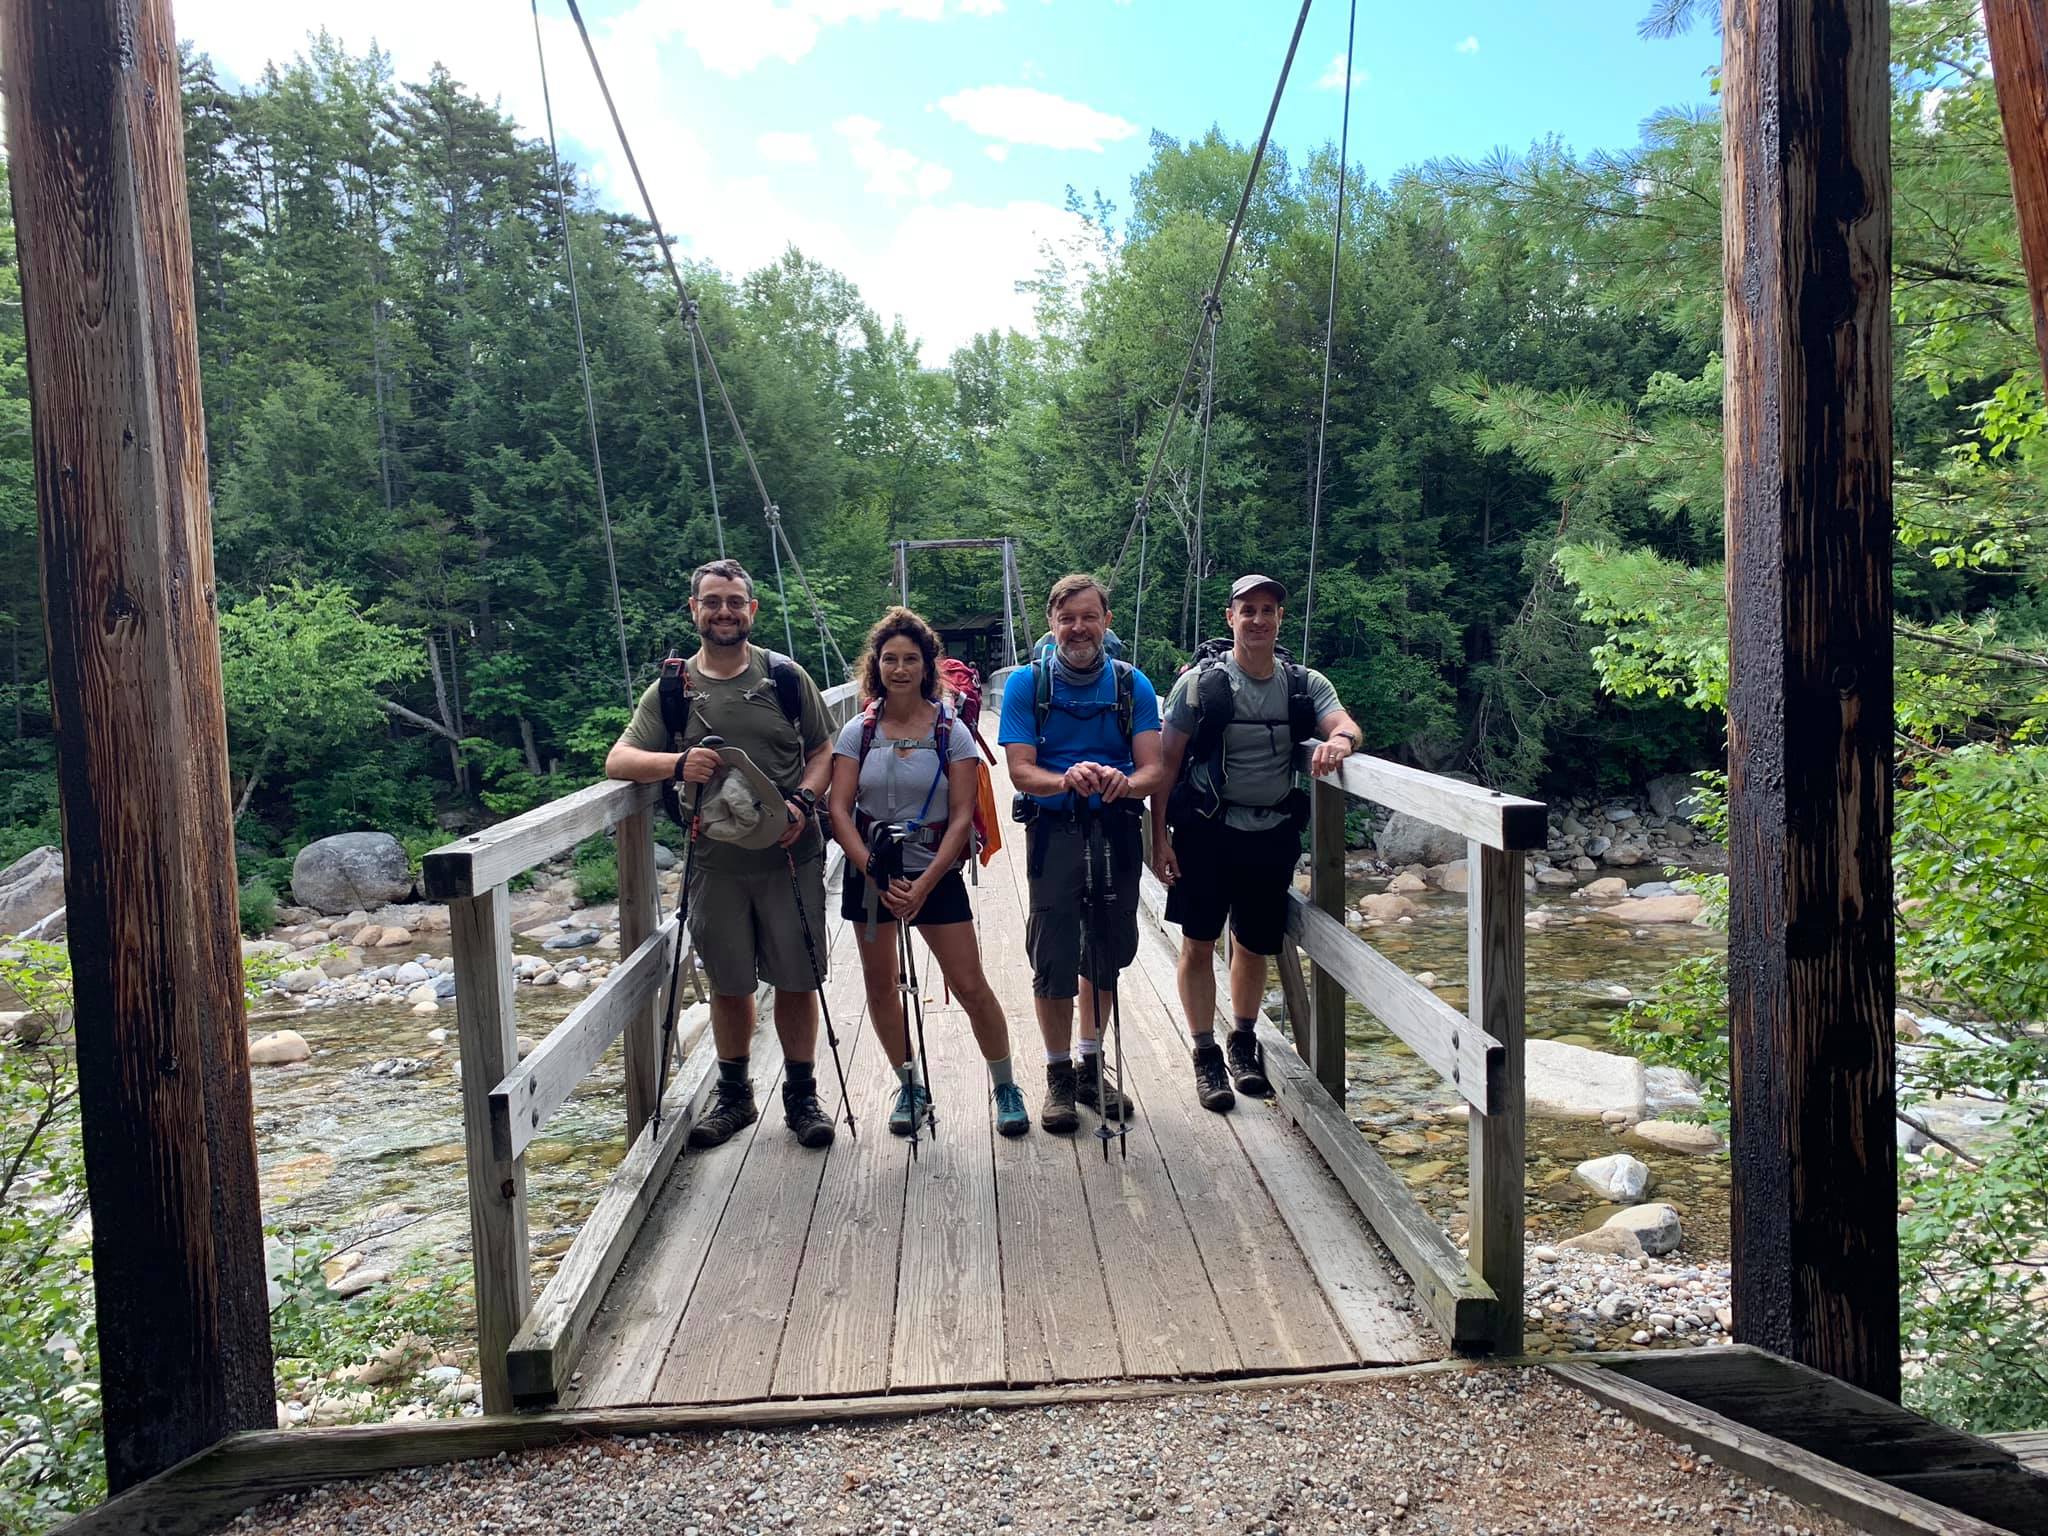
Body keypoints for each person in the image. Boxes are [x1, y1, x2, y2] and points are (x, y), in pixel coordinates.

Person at [604, 558, 838, 1150]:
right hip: (715, 862)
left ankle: (802, 1097)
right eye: (713, 601)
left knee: (796, 978)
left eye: (735, 601)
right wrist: (678, 764)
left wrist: (805, 801)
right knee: (730, 984)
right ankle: (735, 1098)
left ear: (752, 610)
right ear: (695, 610)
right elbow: (620, 760)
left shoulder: (786, 677)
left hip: (791, 853)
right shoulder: (673, 689)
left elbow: (824, 747)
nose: (725, 611)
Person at [1152, 574, 1363, 1112]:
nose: (1258, 619)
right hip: (1205, 829)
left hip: (1270, 834)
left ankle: (1242, 1044)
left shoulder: (1302, 683)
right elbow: (1166, 764)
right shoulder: (1199, 684)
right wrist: (1161, 839)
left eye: (1268, 610)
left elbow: (1345, 724)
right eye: (1248, 610)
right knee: (1199, 942)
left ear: (1279, 619)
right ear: (1231, 617)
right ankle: (1205, 1056)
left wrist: (1339, 741)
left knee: (1252, 941)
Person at [828, 608, 1030, 1138]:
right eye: (889, 659)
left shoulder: (951, 732)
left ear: (926, 666)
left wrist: (925, 882)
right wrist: (871, 869)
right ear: (877, 665)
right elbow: (839, 809)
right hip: (871, 870)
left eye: (910, 659)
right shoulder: (858, 731)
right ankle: (909, 1084)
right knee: (880, 988)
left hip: (933, 872)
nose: (899, 669)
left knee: (969, 984)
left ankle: (1005, 1084)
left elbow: (962, 816)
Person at [998, 574, 1165, 1133]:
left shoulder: (1131, 684)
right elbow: (1020, 770)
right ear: (1052, 624)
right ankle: (1058, 1076)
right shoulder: (1028, 685)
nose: (1078, 628)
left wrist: (1124, 781)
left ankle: (1092, 1064)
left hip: (1115, 829)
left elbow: (1153, 767)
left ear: (1106, 622)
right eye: (1067, 618)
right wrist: (1065, 778)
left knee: (1106, 947)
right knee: (1053, 953)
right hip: (1054, 831)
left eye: (1088, 617)